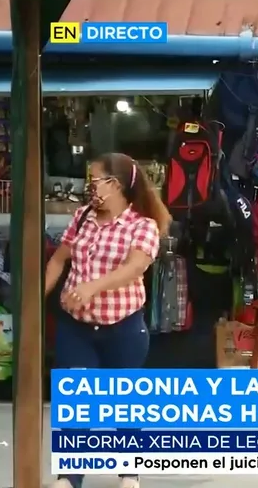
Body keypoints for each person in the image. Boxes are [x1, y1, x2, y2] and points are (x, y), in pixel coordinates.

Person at [45, 153, 170, 488]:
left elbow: (135, 268)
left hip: (124, 328)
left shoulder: (143, 225)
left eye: (95, 181)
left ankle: (129, 472)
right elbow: (59, 259)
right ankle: (70, 477)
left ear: (115, 185)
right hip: (77, 328)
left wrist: (91, 288)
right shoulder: (82, 217)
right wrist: (36, 296)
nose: (89, 188)